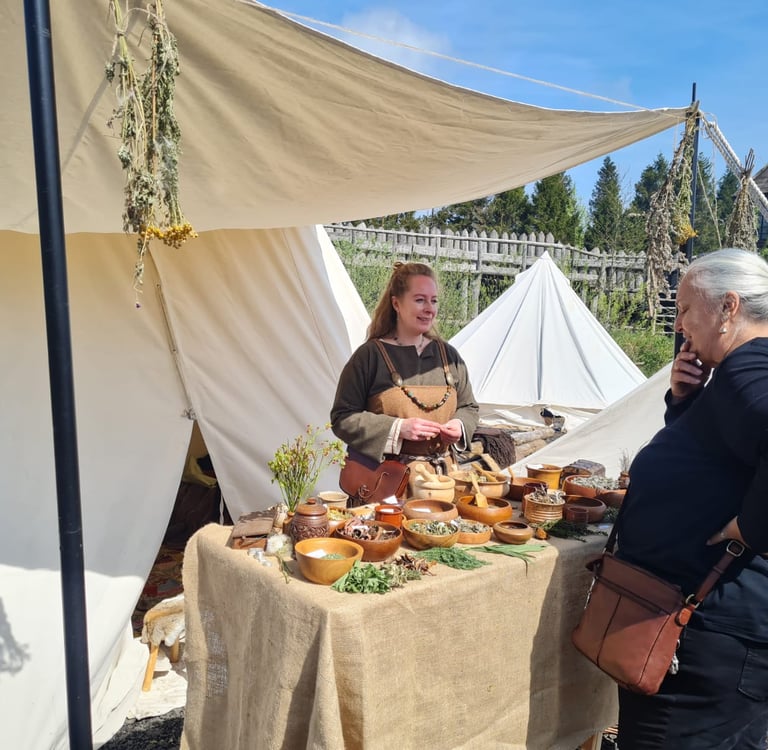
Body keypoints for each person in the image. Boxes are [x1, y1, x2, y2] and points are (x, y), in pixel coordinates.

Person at [615, 248, 768, 749]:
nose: (679, 325)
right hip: (707, 635)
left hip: (711, 644)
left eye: (684, 309)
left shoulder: (749, 366)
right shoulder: (733, 373)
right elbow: (718, 468)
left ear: (728, 307)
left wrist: (750, 527)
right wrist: (685, 405)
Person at [330, 261, 479, 486]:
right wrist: (398, 429)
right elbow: (342, 418)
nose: (430, 308)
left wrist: (459, 426)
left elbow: (469, 407)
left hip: (442, 485)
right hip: (385, 486)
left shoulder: (449, 355)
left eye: (434, 300)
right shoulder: (370, 356)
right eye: (420, 300)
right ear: (396, 304)